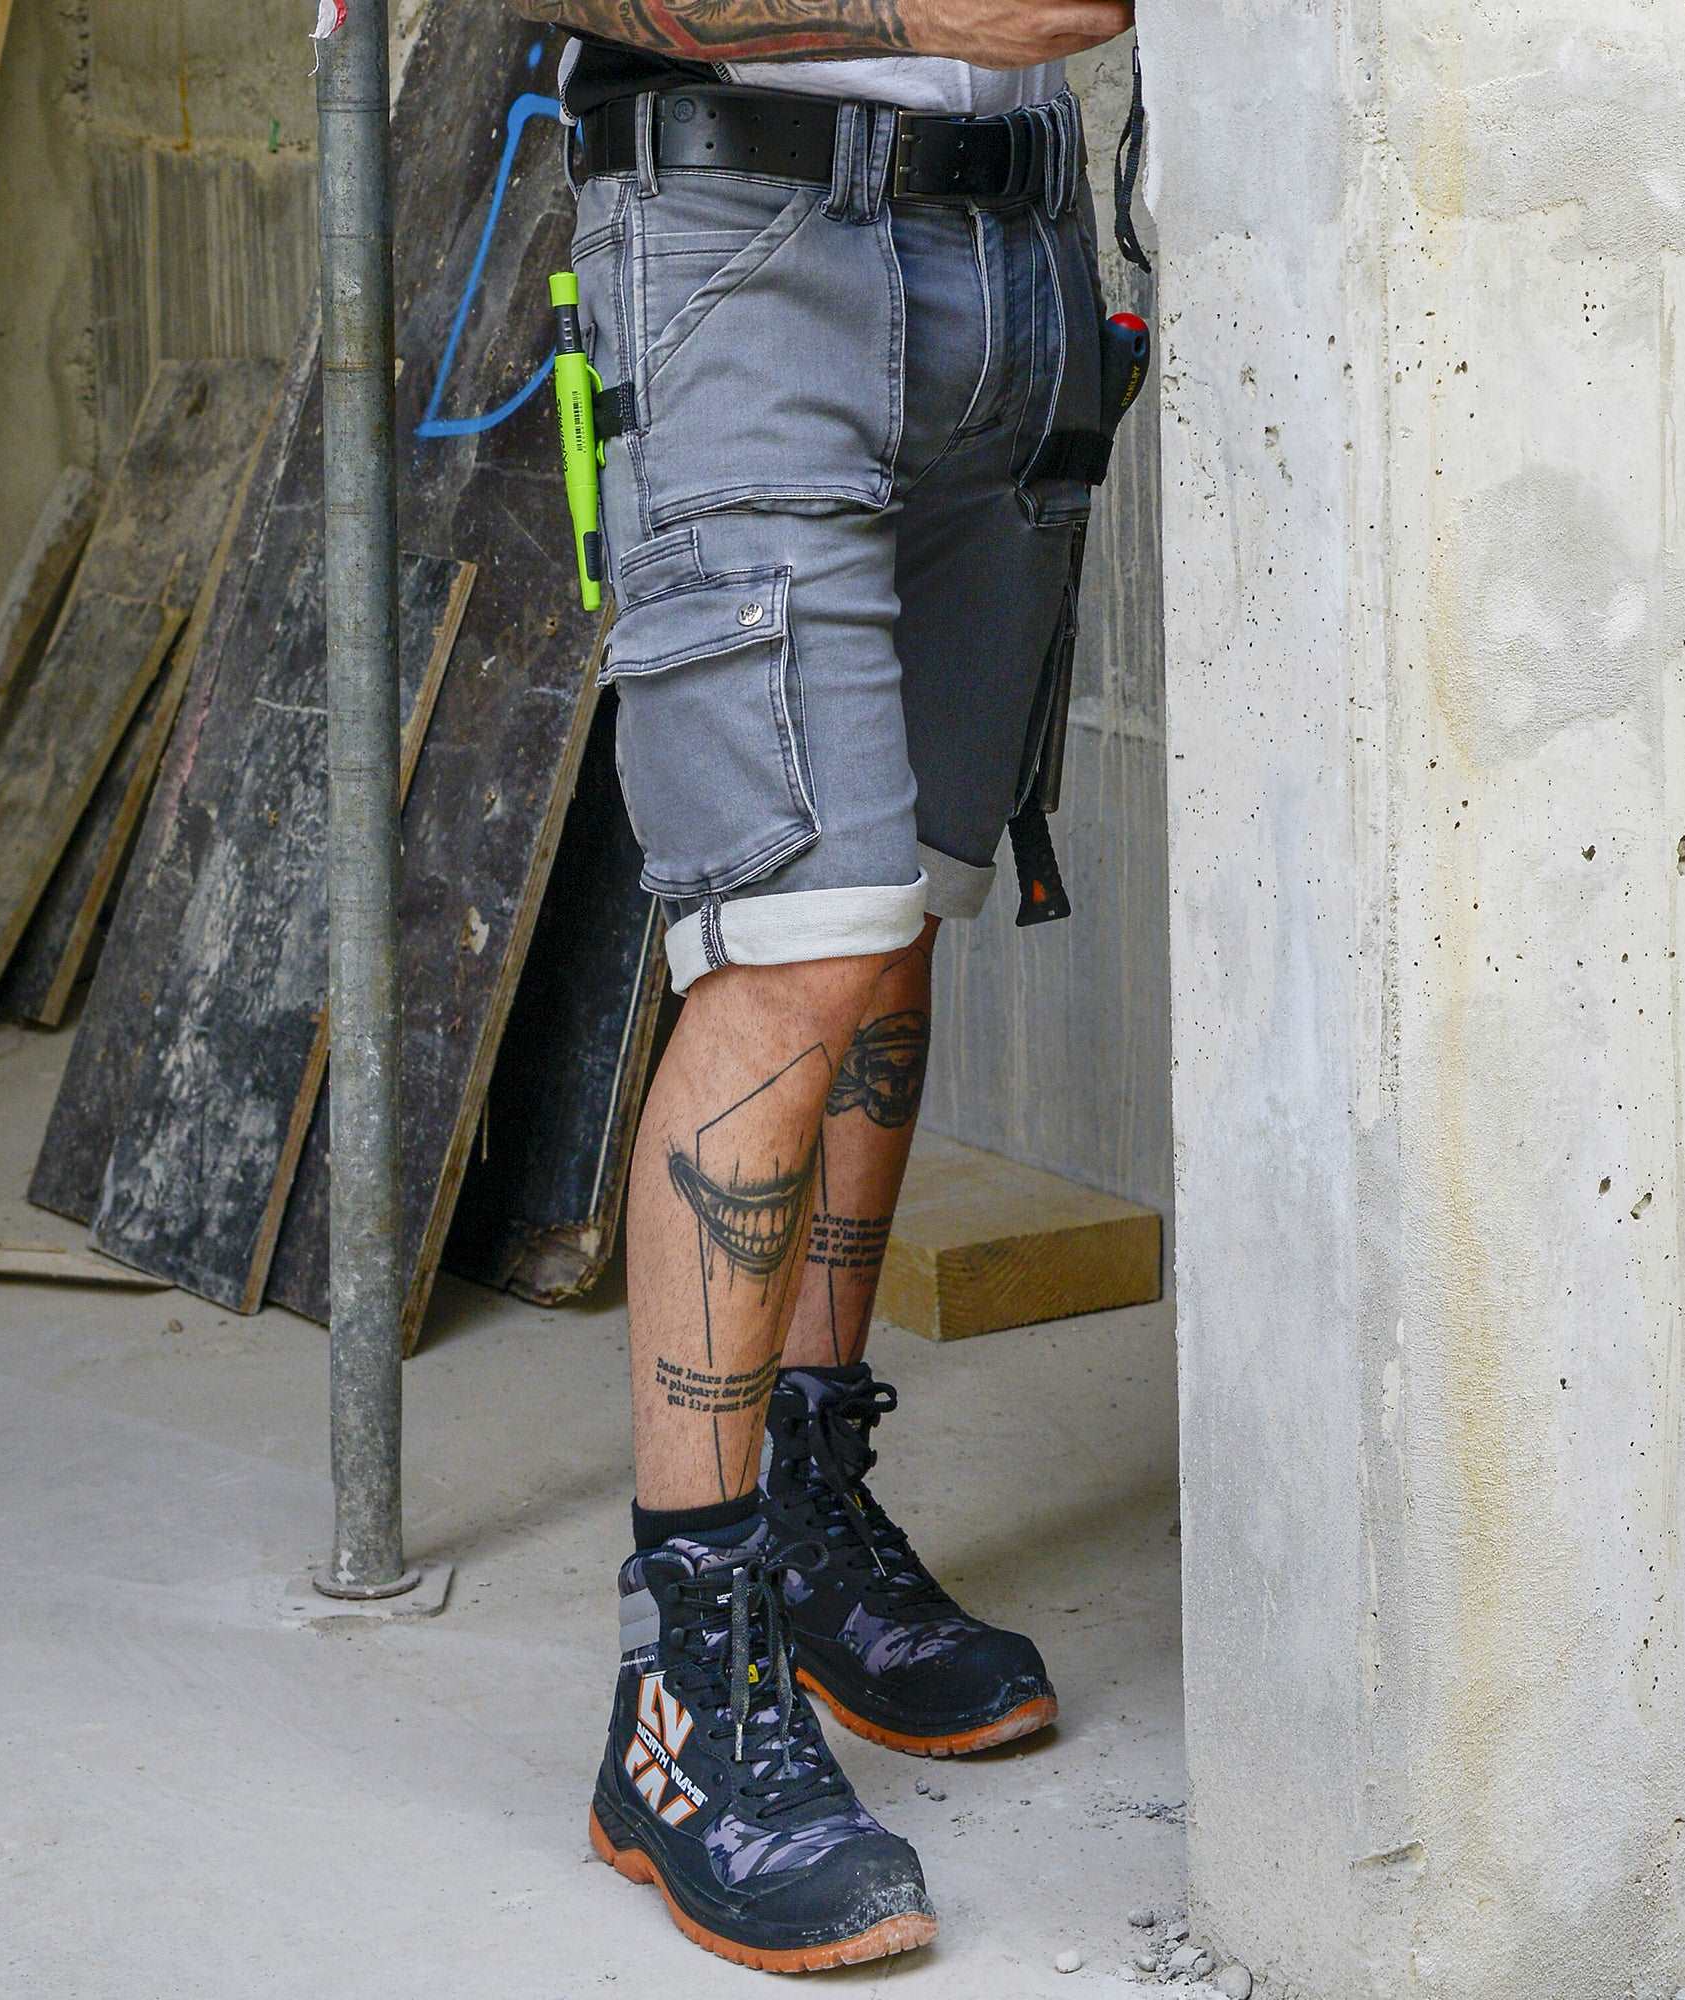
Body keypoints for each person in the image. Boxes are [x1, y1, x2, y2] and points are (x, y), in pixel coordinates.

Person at [536, 0, 1138, 1972]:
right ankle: (682, 1682)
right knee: (789, 946)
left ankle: (801, 1510)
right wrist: (909, 16)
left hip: (1021, 249)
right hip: (745, 248)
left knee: (891, 919)